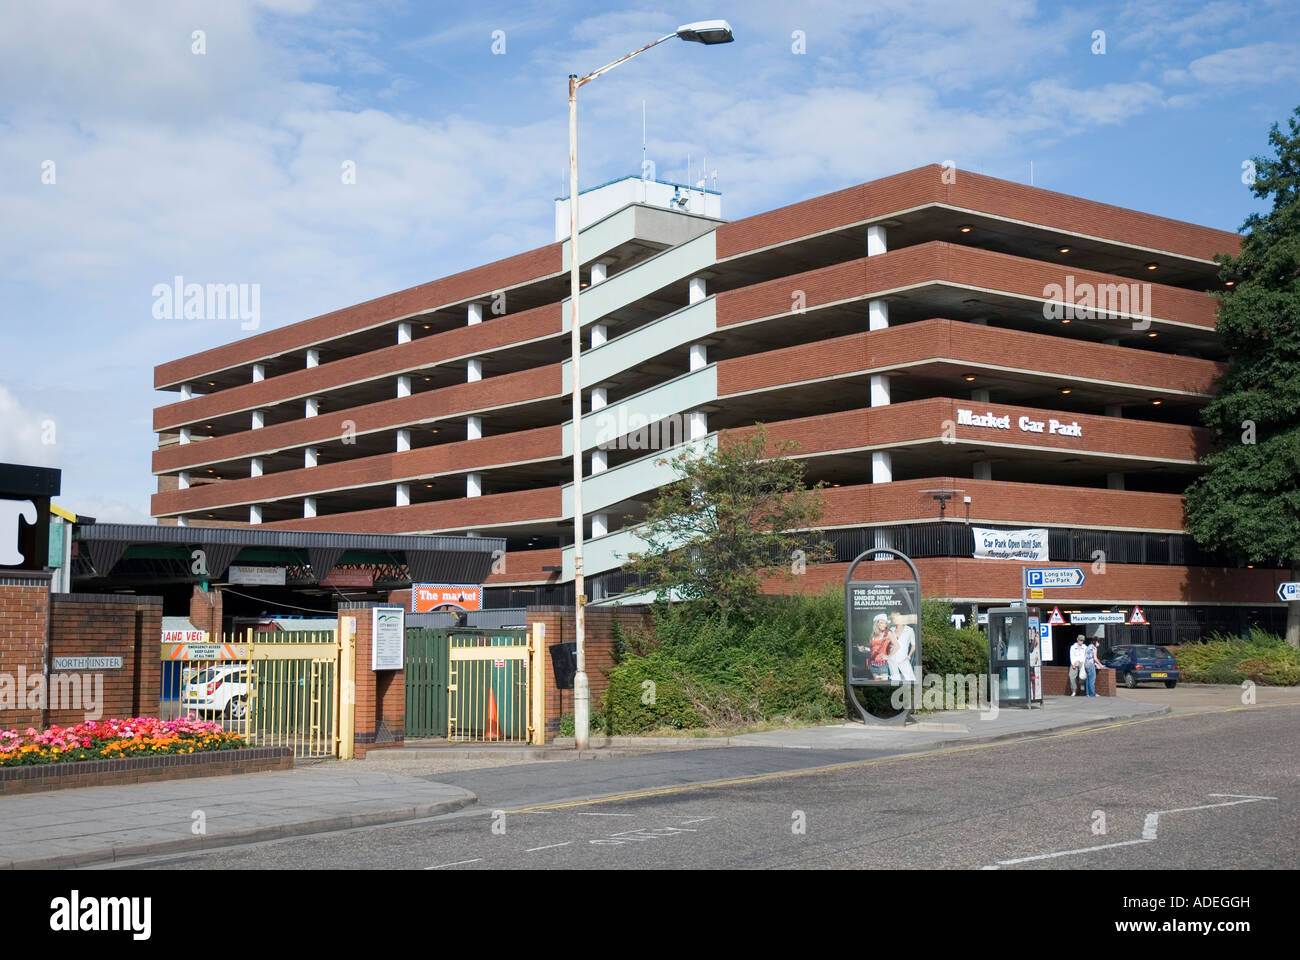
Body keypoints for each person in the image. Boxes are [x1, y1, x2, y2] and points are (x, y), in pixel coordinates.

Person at [888, 612, 917, 683]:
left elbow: (914, 645)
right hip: (892, 659)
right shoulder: (891, 629)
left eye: (895, 618)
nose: (894, 620)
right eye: (893, 619)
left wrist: (909, 656)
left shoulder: (909, 630)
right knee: (895, 681)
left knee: (911, 679)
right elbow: (886, 644)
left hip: (903, 658)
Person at [868, 614, 891, 680]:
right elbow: (872, 650)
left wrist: (888, 656)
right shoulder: (873, 635)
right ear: (877, 624)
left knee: (884, 686)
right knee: (878, 685)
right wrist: (864, 649)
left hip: (882, 665)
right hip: (873, 665)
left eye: (885, 623)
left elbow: (897, 646)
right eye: (882, 623)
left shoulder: (887, 634)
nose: (884, 625)